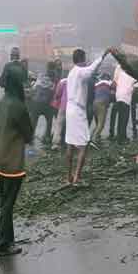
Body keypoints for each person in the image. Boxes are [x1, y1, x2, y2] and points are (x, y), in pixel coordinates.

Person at [0, 63, 34, 257]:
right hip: (11, 163)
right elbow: (29, 135)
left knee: (4, 201)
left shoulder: (3, 101)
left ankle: (7, 239)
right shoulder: (18, 106)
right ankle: (4, 243)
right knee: (8, 204)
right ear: (17, 84)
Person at [64, 47, 112, 185]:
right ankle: (77, 177)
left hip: (70, 109)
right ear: (82, 59)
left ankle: (68, 177)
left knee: (70, 144)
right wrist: (103, 55)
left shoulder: (71, 72)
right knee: (83, 145)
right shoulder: (80, 71)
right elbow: (91, 70)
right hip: (78, 110)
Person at [29, 62, 57, 144]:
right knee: (49, 122)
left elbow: (34, 88)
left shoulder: (40, 76)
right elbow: (55, 91)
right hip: (48, 104)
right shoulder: (55, 78)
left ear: (47, 67)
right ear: (54, 68)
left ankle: (30, 136)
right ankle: (47, 137)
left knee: (34, 120)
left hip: (36, 102)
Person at [110, 62, 138, 143]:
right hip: (126, 98)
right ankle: (122, 139)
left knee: (120, 118)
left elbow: (114, 83)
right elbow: (136, 88)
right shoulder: (134, 76)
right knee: (124, 119)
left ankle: (121, 137)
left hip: (118, 97)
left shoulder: (121, 74)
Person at [91, 72, 114, 144]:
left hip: (94, 104)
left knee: (98, 123)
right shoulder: (109, 83)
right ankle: (94, 139)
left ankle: (91, 137)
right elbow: (113, 93)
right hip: (102, 104)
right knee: (101, 124)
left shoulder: (97, 84)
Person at [51, 76, 67, 151]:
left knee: (59, 124)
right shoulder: (77, 80)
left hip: (63, 105)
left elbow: (57, 94)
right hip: (74, 106)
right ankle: (68, 142)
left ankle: (55, 144)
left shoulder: (63, 81)